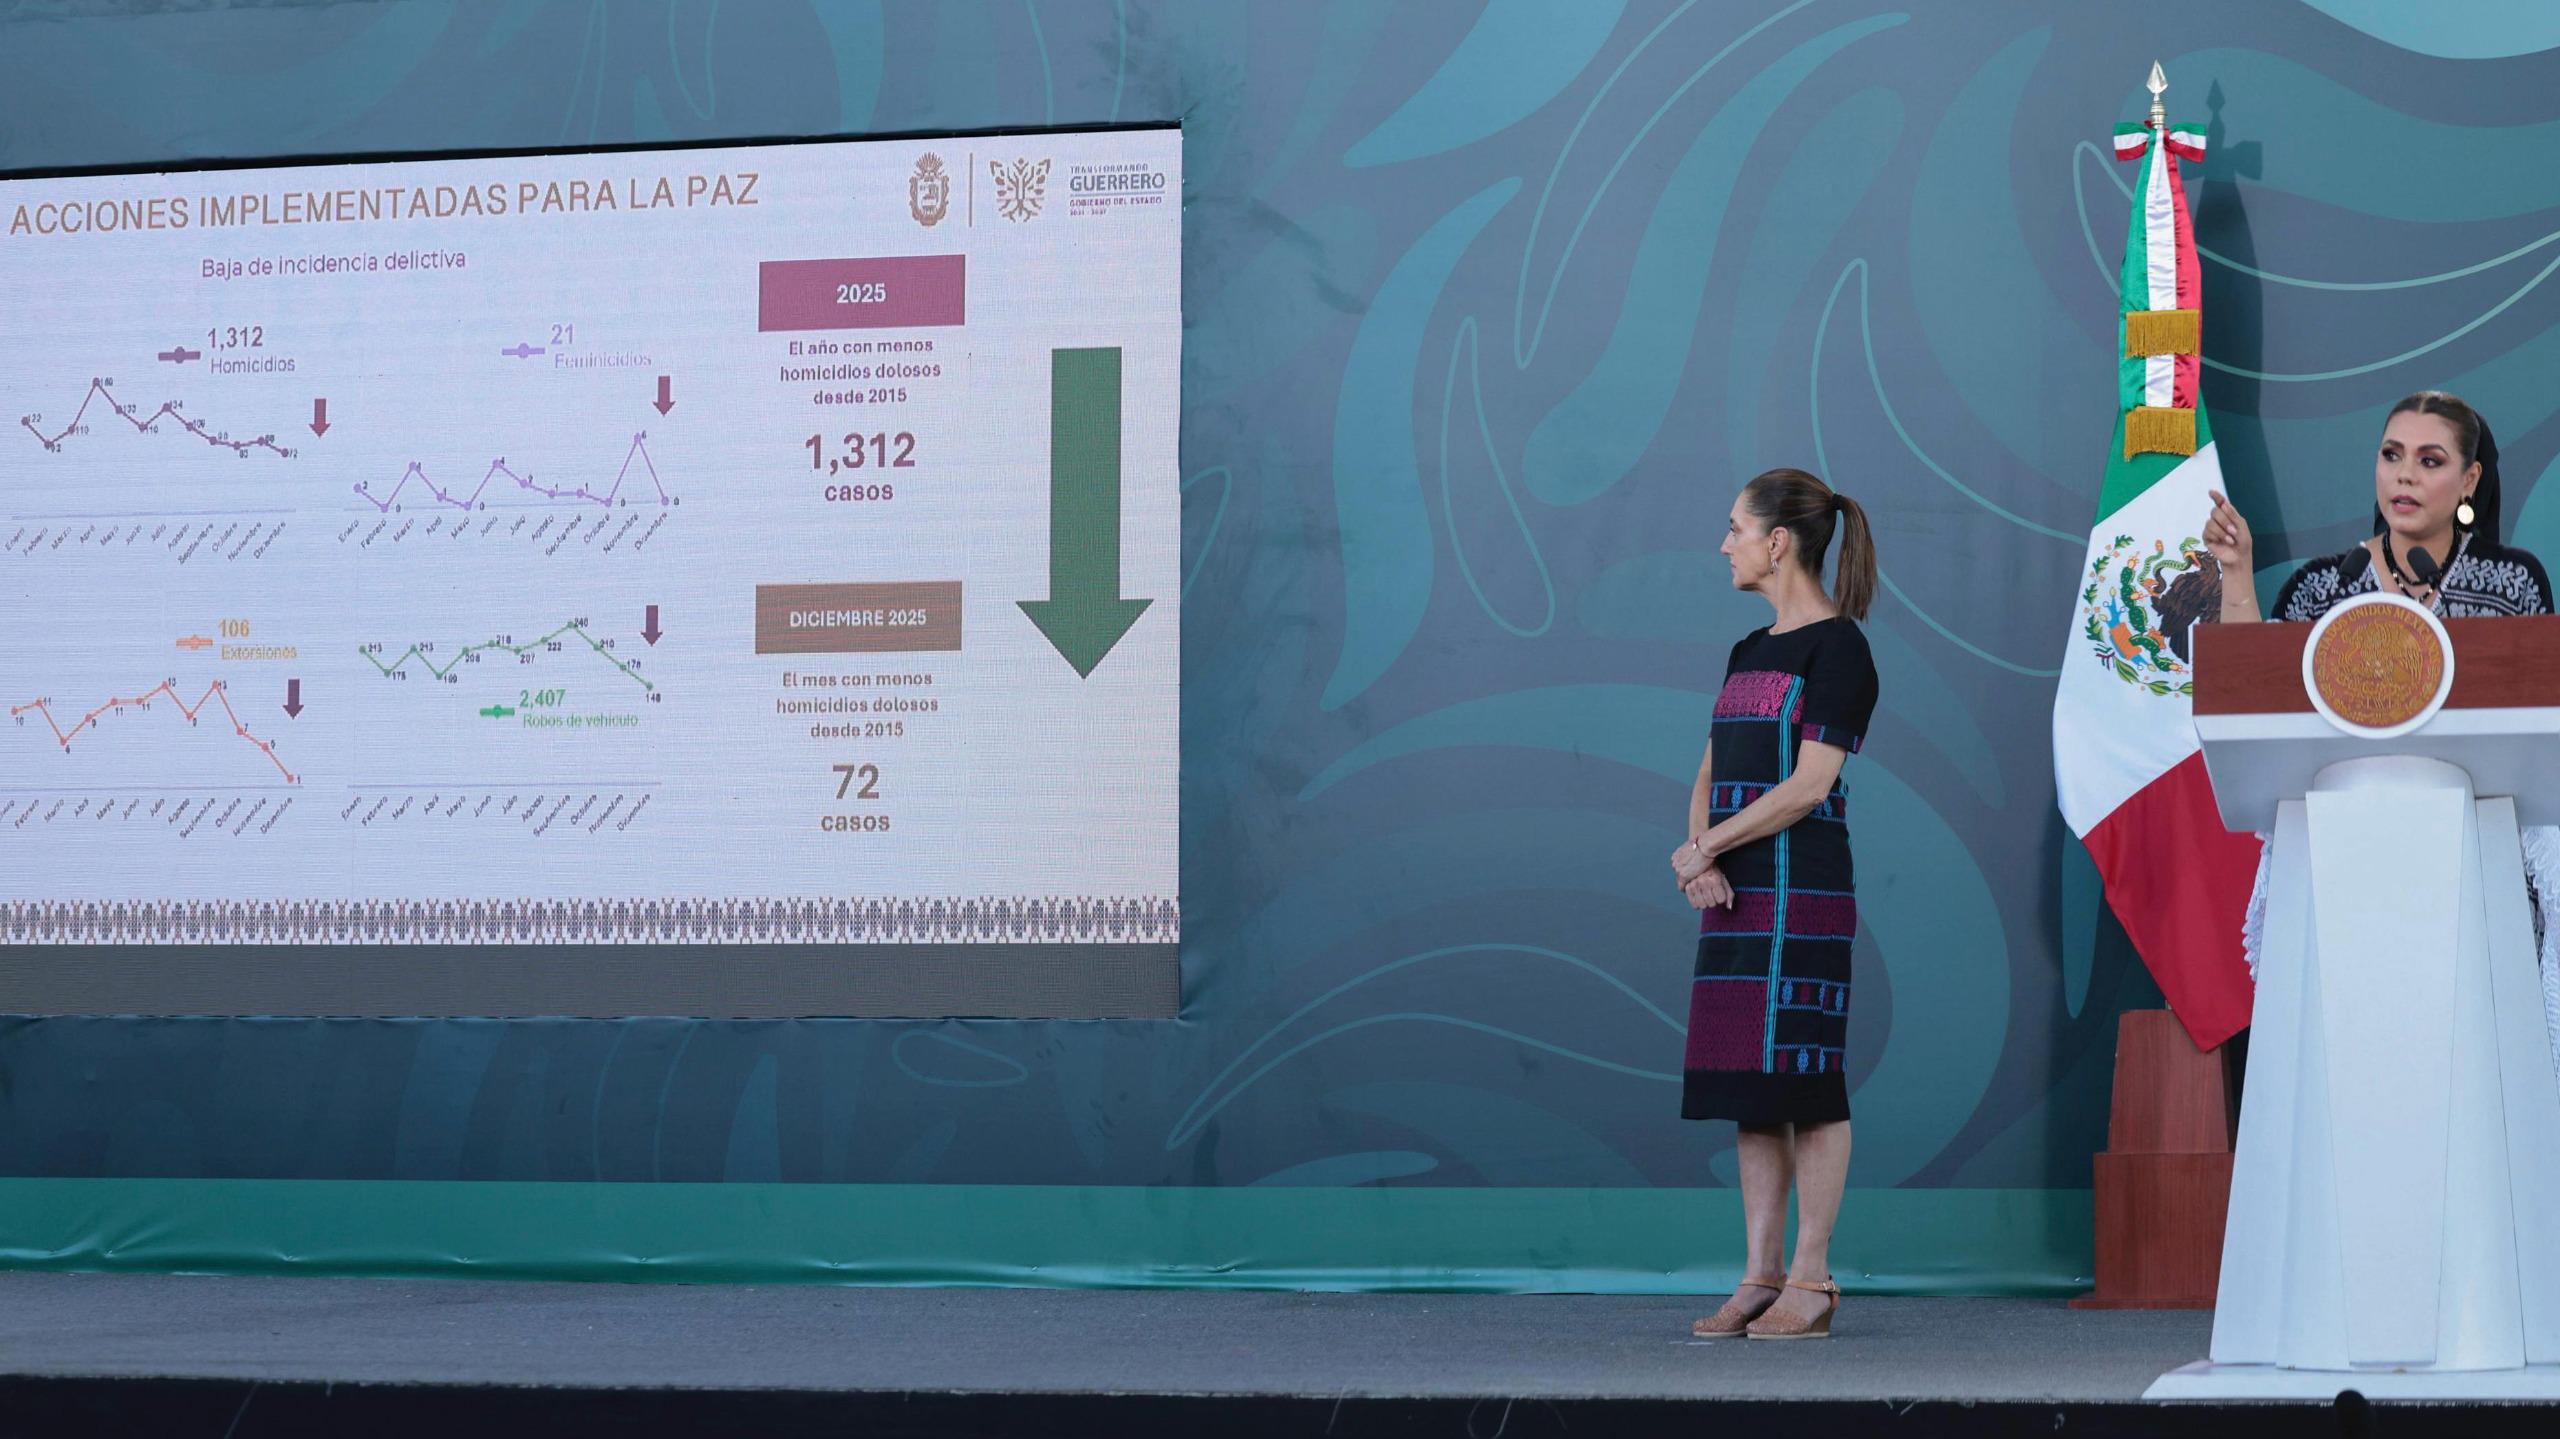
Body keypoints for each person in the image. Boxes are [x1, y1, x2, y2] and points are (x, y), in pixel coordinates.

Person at [2201, 389, 2560, 1072]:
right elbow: (2250, 696)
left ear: (2470, 479)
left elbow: (2537, 726)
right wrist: (2236, 572)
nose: (2404, 476)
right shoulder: (2323, 589)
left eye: (2429, 460)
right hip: (2349, 880)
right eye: (2392, 456)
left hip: (2480, 881)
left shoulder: (2512, 584)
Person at [1672, 467, 1879, 1341]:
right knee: (1749, 1086)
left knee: (1806, 1081)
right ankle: (1760, 1274)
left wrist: (1709, 846)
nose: (1725, 544)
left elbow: (1810, 785)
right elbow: (1711, 767)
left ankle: (1812, 1276)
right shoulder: (1747, 649)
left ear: (1778, 541)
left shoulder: (1841, 650)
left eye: (1735, 528)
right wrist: (1700, 857)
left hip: (1803, 892)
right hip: (1734, 893)